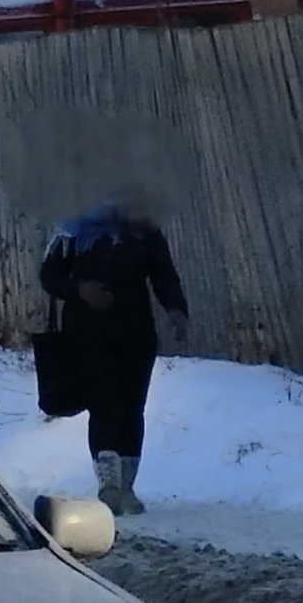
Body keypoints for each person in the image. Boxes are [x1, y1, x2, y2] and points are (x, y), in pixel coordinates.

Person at [39, 198, 189, 516]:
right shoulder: (72, 228)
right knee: (105, 404)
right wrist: (80, 290)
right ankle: (108, 487)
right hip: (87, 333)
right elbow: (50, 276)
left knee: (133, 408)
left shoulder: (143, 227)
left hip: (136, 332)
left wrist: (176, 310)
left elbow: (163, 273)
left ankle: (127, 488)